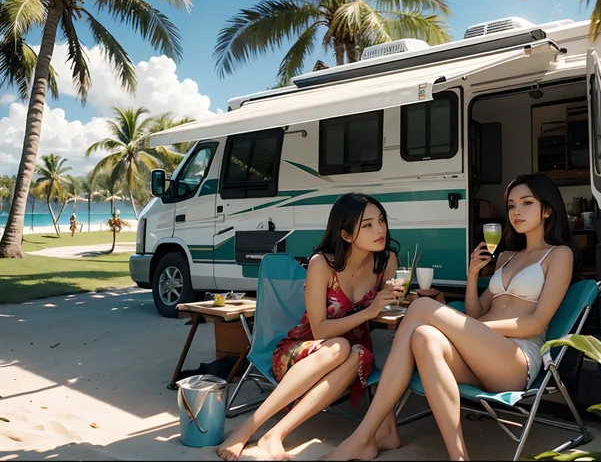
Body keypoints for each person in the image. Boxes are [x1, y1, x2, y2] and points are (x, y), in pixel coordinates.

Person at [326, 173, 579, 461]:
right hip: (481, 355)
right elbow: (475, 313)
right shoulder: (507, 255)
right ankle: (458, 457)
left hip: (516, 359)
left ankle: (364, 436)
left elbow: (536, 323)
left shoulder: (559, 255)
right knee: (423, 337)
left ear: (547, 210)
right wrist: (473, 277)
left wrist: (470, 327)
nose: (516, 212)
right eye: (511, 205)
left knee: (420, 309)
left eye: (526, 203)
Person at [217, 193, 406, 461]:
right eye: (368, 224)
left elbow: (388, 310)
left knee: (358, 353)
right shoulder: (322, 264)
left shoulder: (385, 263)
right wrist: (370, 310)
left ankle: (275, 435)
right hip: (301, 352)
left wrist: (395, 299)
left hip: (351, 352)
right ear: (347, 234)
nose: (380, 230)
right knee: (340, 347)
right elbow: (320, 330)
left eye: (382, 221)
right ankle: (248, 428)